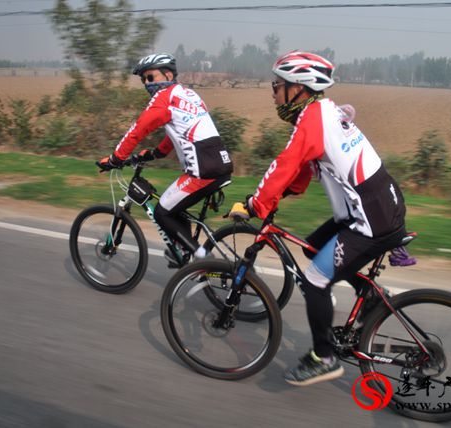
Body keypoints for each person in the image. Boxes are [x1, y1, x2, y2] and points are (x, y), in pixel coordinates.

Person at [230, 51, 407, 386]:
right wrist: (278, 195)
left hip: (371, 220)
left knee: (314, 280)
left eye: (278, 85)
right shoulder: (321, 113)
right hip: (375, 208)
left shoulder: (313, 118)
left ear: (300, 87)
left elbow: (286, 162)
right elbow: (299, 170)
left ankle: (324, 358)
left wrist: (255, 204)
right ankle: (369, 297)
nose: (273, 92)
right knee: (313, 247)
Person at [99, 53, 233, 267]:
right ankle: (183, 249)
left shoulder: (165, 97)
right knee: (175, 205)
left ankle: (203, 261)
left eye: (150, 77)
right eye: (143, 79)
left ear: (168, 74)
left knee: (162, 212)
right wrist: (155, 154)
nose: (146, 83)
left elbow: (138, 129)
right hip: (219, 163)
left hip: (202, 171)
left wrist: (116, 158)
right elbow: (179, 133)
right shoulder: (188, 94)